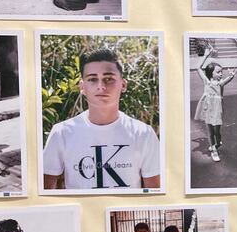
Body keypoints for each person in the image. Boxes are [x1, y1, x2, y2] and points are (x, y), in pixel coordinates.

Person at [42, 48, 161, 190]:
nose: (101, 86)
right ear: (82, 87)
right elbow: (46, 191)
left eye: (109, 79)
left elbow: (155, 193)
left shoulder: (143, 133)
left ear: (123, 85)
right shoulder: (62, 133)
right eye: (92, 79)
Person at [194, 47, 236, 163]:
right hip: (207, 109)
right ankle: (214, 150)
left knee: (217, 132)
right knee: (210, 132)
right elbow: (198, 68)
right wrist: (206, 55)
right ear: (210, 73)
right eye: (218, 72)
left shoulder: (220, 84)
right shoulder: (206, 81)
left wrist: (231, 76)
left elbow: (226, 80)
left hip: (217, 110)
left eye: (221, 71)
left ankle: (217, 144)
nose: (221, 74)